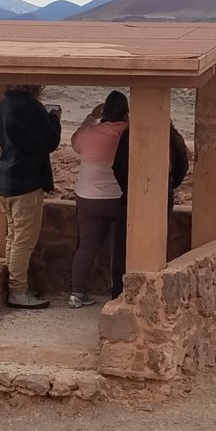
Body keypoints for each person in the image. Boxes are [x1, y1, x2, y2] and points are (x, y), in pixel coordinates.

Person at [0, 84, 62, 309]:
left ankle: (15, 287)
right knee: (23, 242)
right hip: (27, 183)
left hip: (6, 182)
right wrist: (54, 120)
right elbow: (49, 141)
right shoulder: (31, 107)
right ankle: (18, 292)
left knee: (13, 238)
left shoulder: (1, 105)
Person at [109, 122, 190, 299]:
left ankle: (120, 294)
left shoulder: (130, 135)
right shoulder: (172, 137)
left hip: (132, 193)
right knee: (156, 244)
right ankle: (151, 295)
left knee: (123, 246)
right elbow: (182, 166)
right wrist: (168, 184)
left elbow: (119, 166)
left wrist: (129, 185)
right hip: (162, 195)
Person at [68, 91, 129, 309]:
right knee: (117, 248)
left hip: (88, 197)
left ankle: (76, 293)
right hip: (117, 197)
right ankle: (117, 293)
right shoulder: (127, 133)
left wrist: (91, 117)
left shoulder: (89, 133)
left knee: (87, 246)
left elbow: (75, 144)